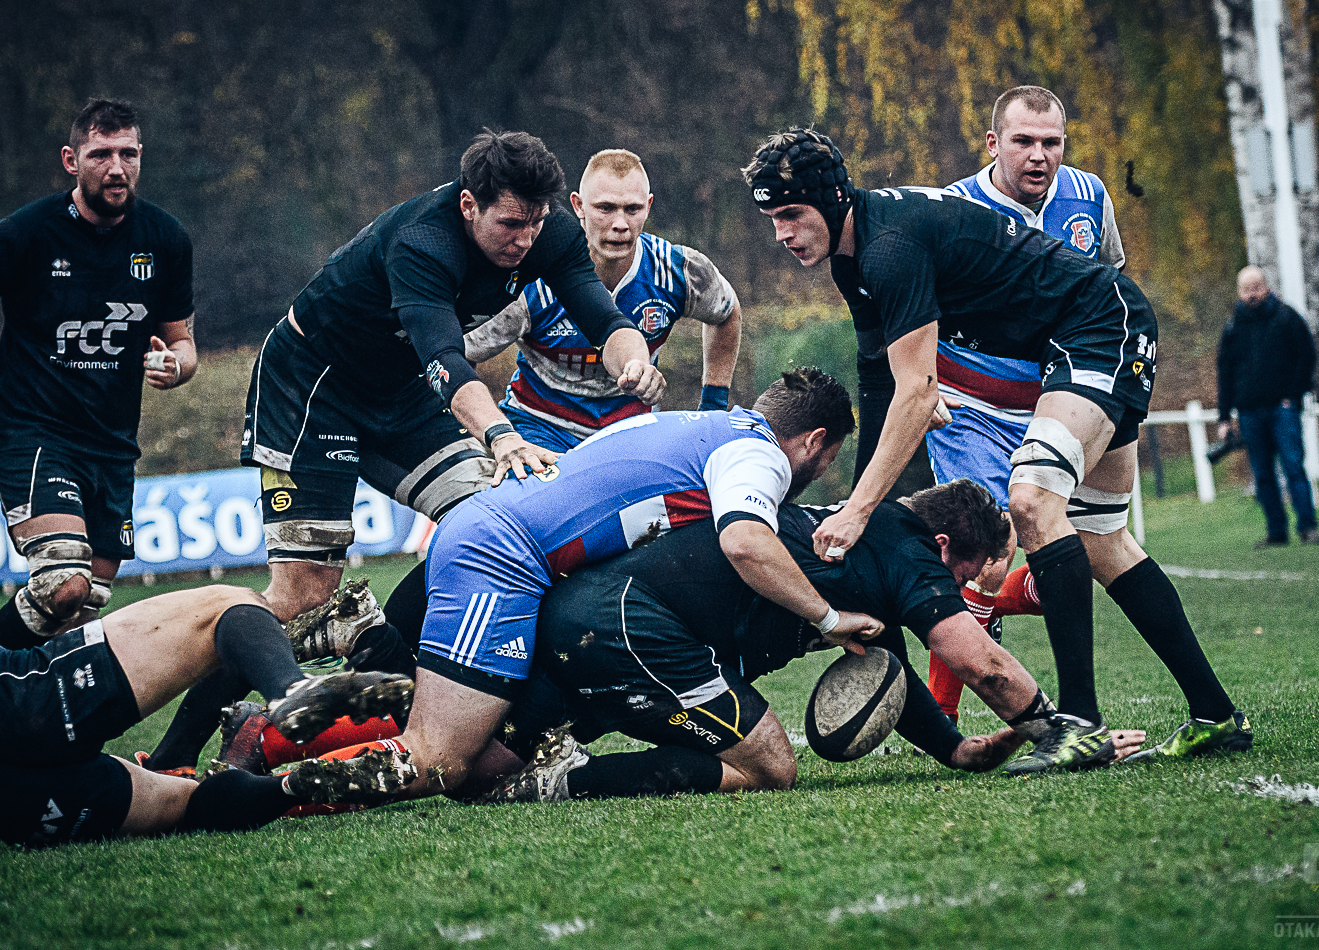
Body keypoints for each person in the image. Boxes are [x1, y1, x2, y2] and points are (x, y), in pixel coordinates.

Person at [144, 129, 666, 775]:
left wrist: (634, 362)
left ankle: (393, 660)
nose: (524, 241)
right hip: (312, 389)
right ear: (470, 205)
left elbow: (601, 317)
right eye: (510, 224)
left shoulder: (549, 232)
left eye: (534, 223)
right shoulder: (423, 239)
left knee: (496, 529)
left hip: (399, 393)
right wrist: (501, 436)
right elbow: (445, 360)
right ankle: (176, 748)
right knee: (303, 597)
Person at [743, 128, 1250, 772]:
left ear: (833, 197)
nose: (783, 233)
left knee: (1033, 500)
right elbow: (880, 376)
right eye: (772, 219)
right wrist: (858, 497)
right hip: (1080, 336)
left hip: (1098, 327)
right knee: (1101, 541)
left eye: (791, 213)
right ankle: (1215, 714)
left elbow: (919, 393)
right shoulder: (856, 254)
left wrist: (862, 511)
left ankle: (1081, 725)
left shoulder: (888, 248)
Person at [296, 369, 885, 804]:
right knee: (438, 760)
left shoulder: (700, 426)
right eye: (828, 459)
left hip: (506, 544)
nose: (820, 474)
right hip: (503, 558)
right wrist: (829, 619)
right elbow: (746, 543)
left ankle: (319, 685)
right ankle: (268, 793)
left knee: (476, 769)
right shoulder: (758, 453)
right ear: (812, 440)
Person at [486, 479, 1147, 802]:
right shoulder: (907, 549)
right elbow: (979, 663)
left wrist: (956, 748)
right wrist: (1054, 731)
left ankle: (400, 747)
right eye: (968, 574)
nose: (967, 589)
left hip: (601, 625)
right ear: (942, 545)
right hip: (634, 630)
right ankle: (566, 782)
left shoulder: (874, 553)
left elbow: (887, 665)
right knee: (770, 767)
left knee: (473, 765)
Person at [927, 86, 1126, 720]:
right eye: (1023, 141)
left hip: (1056, 407)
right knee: (986, 545)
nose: (1039, 155)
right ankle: (943, 713)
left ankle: (967, 619)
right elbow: (911, 305)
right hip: (968, 406)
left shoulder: (1090, 197)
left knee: (1063, 564)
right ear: (993, 144)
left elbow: (1110, 285)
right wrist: (918, 390)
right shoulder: (955, 208)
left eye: (1051, 142)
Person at [0, 99, 197, 650]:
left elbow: (183, 342)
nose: (116, 166)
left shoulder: (166, 239)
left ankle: (41, 732)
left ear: (141, 157)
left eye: (128, 153)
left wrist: (175, 366)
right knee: (63, 585)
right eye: (101, 153)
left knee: (85, 606)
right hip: (35, 435)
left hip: (111, 446)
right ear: (70, 160)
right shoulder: (26, 233)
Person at [0, 585, 414, 848]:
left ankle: (289, 789)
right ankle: (290, 691)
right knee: (224, 607)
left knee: (192, 807)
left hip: (10, 803)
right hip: (18, 702)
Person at [465, 149, 742, 450]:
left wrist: (713, 406)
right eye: (606, 208)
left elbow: (726, 313)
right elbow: (463, 352)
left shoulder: (679, 271)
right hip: (539, 428)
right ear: (578, 206)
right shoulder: (530, 278)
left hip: (631, 432)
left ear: (649, 207)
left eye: (632, 209)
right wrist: (473, 435)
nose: (620, 223)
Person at [1216, 265, 1319, 547]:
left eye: (1255, 288)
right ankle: (1277, 531)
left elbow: (1306, 356)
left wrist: (1293, 395)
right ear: (1239, 292)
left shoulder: (1287, 318)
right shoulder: (1233, 326)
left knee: (1293, 467)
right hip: (1250, 412)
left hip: (1282, 409)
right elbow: (1225, 372)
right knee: (1263, 475)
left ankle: (1308, 526)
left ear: (1265, 287)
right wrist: (1224, 416)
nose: (1251, 294)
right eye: (1246, 289)